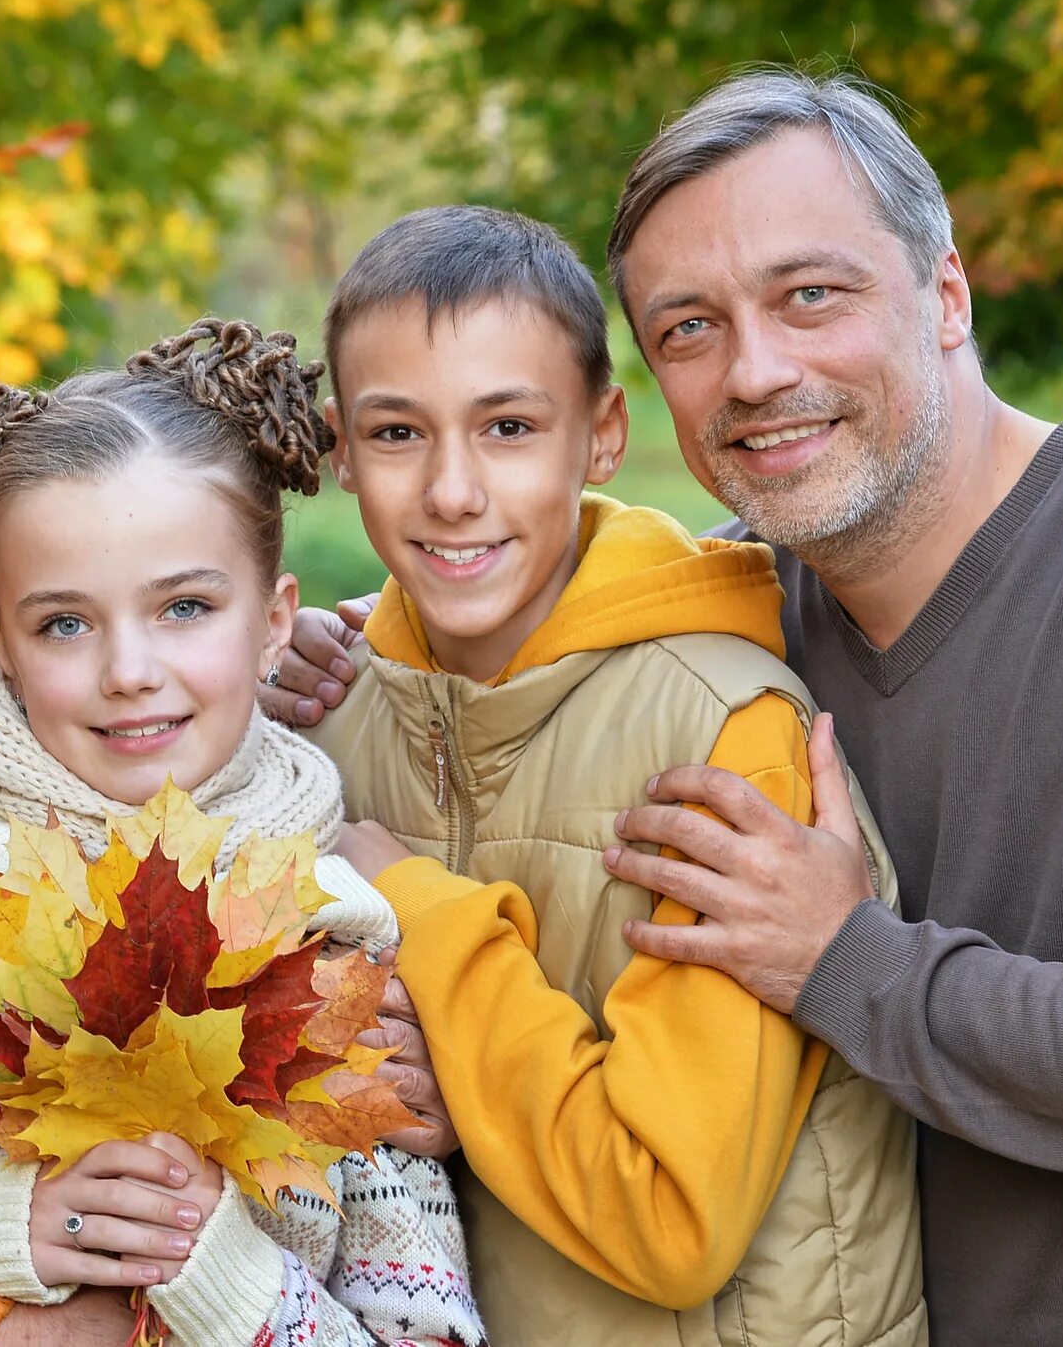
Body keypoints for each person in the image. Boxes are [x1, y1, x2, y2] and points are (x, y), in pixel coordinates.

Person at [274, 70, 1063, 1344]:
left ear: (945, 293)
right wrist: (361, 649)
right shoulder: (736, 607)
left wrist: (856, 968)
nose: (755, 371)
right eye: (690, 328)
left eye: (811, 295)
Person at [0, 321, 486, 1347]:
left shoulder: (335, 964)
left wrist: (221, 1271)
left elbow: (427, 1330)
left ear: (276, 619)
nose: (129, 670)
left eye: (185, 607)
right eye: (65, 624)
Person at [302, 207, 920, 1345]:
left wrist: (426, 921)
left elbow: (669, 1221)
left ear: (599, 436)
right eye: (398, 434)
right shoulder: (334, 730)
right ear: (340, 448)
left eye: (507, 427)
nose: (451, 491)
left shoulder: (725, 735)